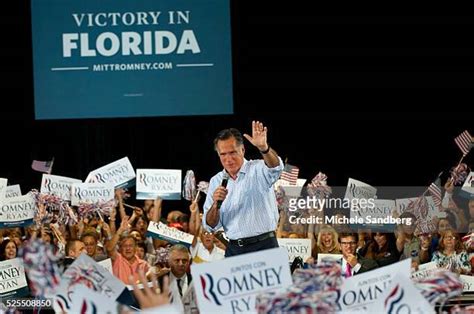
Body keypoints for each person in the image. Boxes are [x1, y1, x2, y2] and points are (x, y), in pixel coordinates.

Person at [203, 121, 284, 257]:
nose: (228, 159)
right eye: (223, 154)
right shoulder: (216, 181)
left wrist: (264, 148)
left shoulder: (258, 169)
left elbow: (276, 167)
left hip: (265, 247)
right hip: (234, 250)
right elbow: (210, 225)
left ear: (243, 150)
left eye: (232, 152)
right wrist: (215, 205)